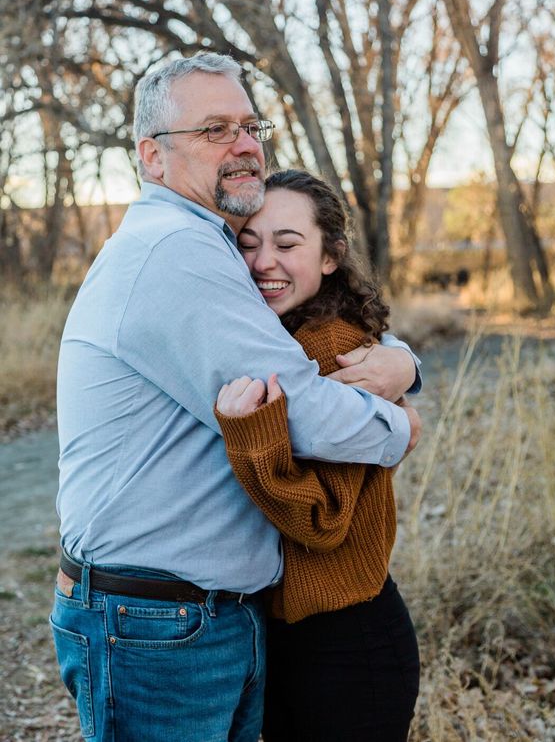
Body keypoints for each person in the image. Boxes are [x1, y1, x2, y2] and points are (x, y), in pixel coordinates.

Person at [51, 52, 421, 742]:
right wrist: (402, 423)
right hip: (157, 625)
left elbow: (326, 343)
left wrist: (401, 359)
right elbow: (307, 409)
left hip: (194, 621)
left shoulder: (205, 247)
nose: (245, 144)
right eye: (216, 128)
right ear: (152, 157)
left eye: (251, 125)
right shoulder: (176, 251)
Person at [215, 169, 420, 742]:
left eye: (287, 243)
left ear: (331, 256)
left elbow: (322, 520)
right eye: (247, 243)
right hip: (296, 640)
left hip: (348, 647)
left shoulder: (329, 347)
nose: (263, 263)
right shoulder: (283, 335)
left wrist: (253, 438)